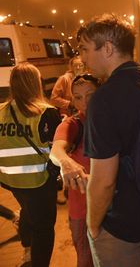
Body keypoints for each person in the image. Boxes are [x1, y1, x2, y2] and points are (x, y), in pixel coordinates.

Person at [76, 14, 140, 267]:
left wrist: (92, 225)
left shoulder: (103, 99)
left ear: (108, 48)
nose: (83, 58)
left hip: (122, 223)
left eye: (85, 50)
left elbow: (103, 181)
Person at [0, 62, 61, 267]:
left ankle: (27, 251)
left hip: (10, 180)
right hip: (39, 182)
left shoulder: (0, 111)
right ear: (36, 83)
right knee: (43, 228)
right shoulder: (46, 113)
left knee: (26, 210)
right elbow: (60, 149)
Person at [49, 73, 100, 267]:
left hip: (114, 208)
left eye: (90, 95)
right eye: (78, 97)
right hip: (82, 210)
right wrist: (66, 162)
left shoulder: (113, 121)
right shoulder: (73, 123)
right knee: (86, 259)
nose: (85, 102)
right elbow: (56, 149)